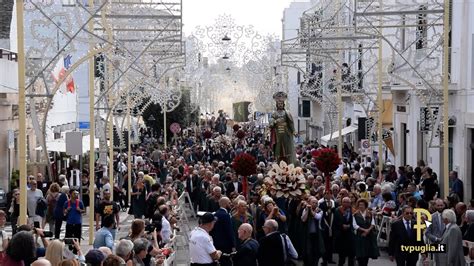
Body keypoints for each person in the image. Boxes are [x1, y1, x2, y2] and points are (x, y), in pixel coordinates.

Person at [269, 91, 296, 164]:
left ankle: (288, 161)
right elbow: (271, 123)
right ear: (276, 104)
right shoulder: (274, 113)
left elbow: (290, 122)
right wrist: (275, 121)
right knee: (278, 149)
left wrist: (294, 131)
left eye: (281, 103)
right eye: (279, 103)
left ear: (283, 104)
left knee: (287, 149)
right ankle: (278, 161)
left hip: (286, 133)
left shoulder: (287, 112)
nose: (280, 105)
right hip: (277, 133)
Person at [353, 198, 379, 266]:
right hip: (359, 236)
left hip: (368, 236)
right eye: (359, 205)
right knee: (360, 255)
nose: (361, 206)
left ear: (365, 206)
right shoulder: (355, 214)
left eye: (362, 205)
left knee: (366, 254)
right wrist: (364, 230)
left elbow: (373, 223)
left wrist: (368, 230)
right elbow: (355, 225)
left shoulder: (369, 214)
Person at [210, 197, 235, 266]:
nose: (231, 204)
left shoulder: (215, 214)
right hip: (226, 245)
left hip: (216, 243)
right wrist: (233, 244)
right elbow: (229, 231)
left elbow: (211, 230)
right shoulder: (226, 215)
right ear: (225, 204)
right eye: (229, 203)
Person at [334, 197, 354, 266]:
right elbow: (335, 221)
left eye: (347, 202)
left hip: (350, 235)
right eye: (344, 202)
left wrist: (349, 226)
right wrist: (342, 225)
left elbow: (354, 221)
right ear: (341, 203)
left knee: (351, 254)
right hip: (341, 234)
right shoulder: (337, 210)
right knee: (341, 254)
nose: (346, 203)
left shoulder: (352, 210)